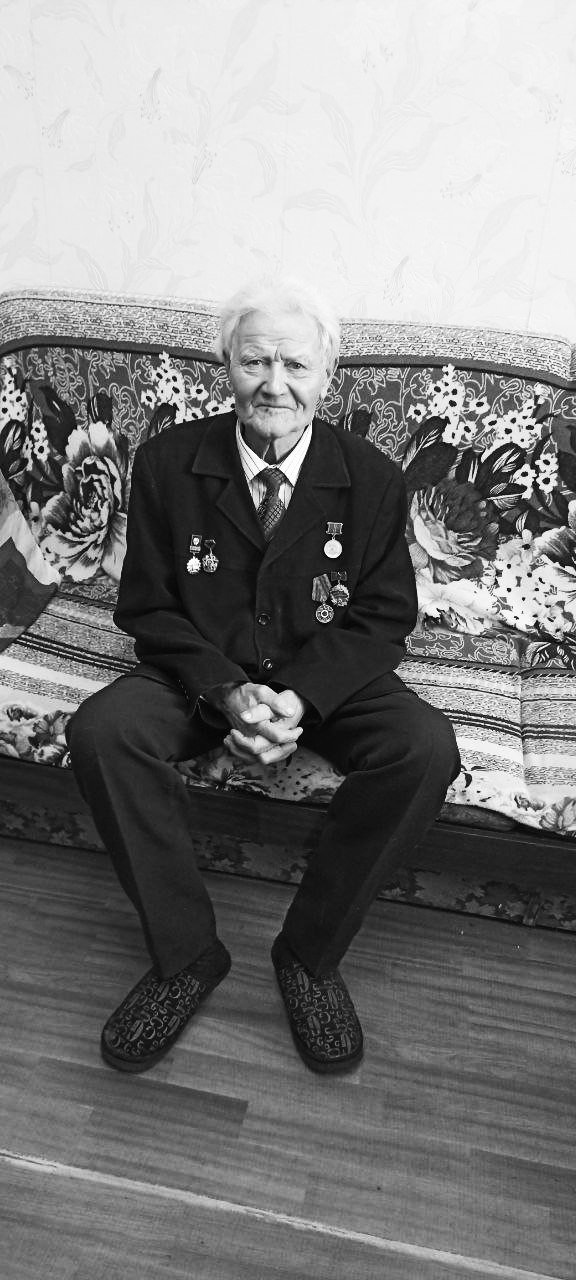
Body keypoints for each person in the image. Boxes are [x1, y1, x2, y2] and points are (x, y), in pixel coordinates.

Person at [66, 277, 460, 1076]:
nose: (274, 384)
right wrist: (226, 689)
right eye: (254, 361)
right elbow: (148, 606)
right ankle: (186, 956)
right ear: (227, 366)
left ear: (327, 376)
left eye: (295, 365)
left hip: (325, 678)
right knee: (101, 732)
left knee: (424, 749)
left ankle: (308, 958)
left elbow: (383, 616)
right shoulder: (168, 463)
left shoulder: (373, 478)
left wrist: (300, 697)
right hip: (200, 674)